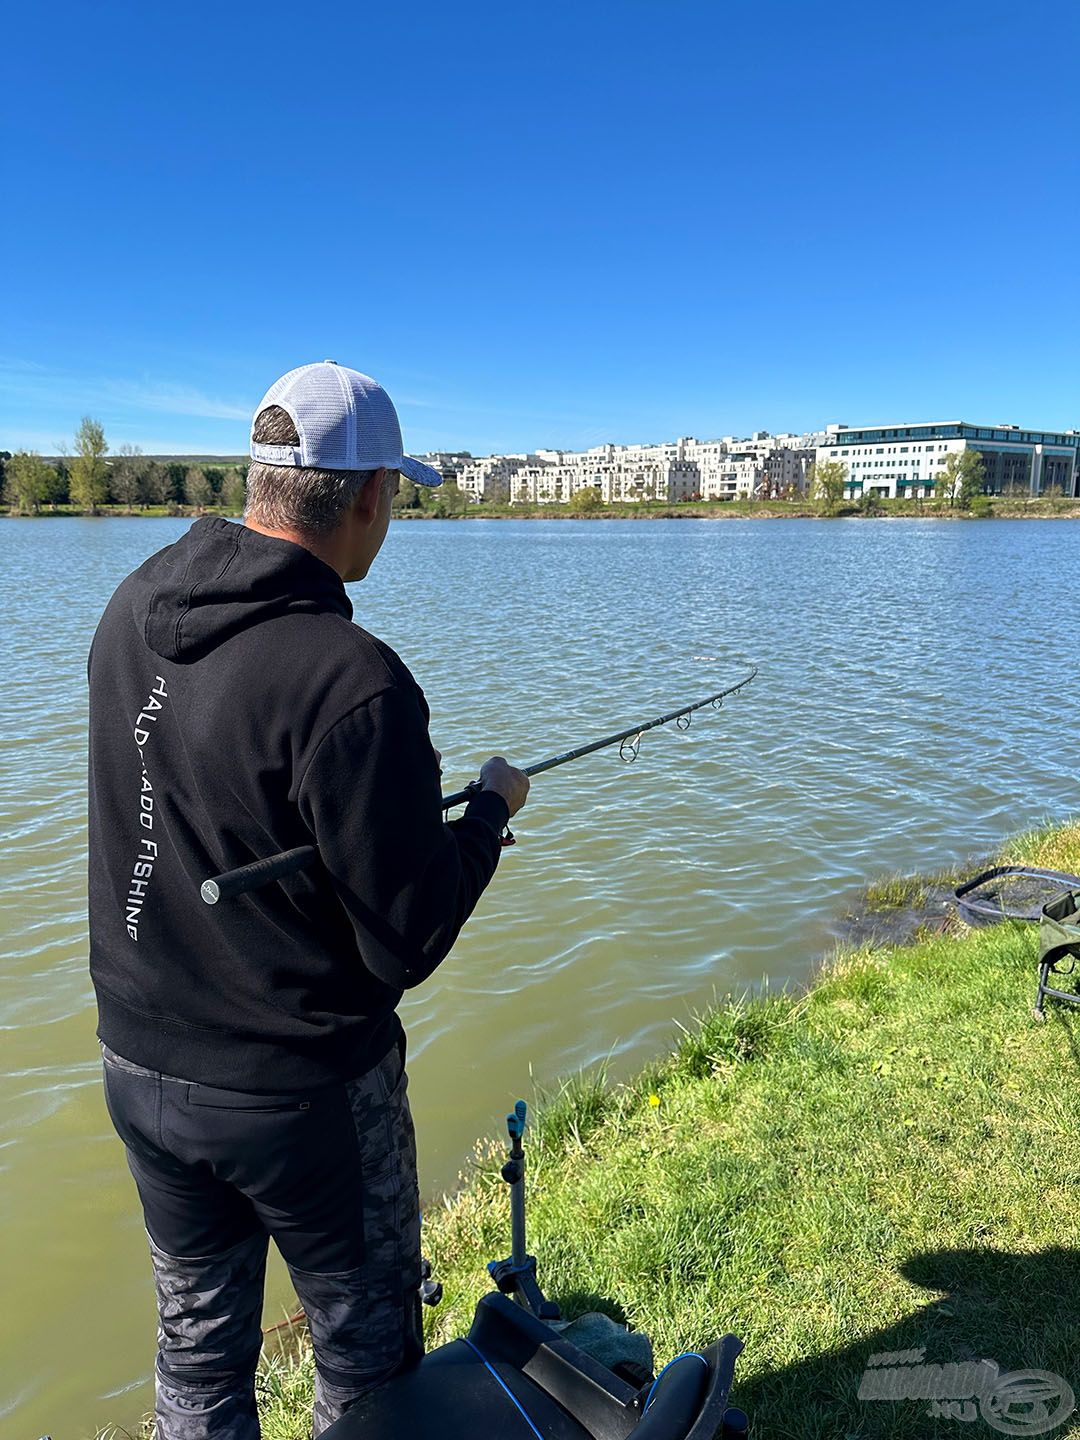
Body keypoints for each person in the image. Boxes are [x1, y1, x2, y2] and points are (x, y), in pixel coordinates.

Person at [87, 360, 530, 1440]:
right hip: (305, 1100)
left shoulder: (132, 607)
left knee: (195, 1357)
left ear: (260, 480)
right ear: (370, 494)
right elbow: (404, 938)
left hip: (139, 1068)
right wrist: (483, 820)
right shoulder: (352, 680)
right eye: (399, 494)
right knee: (369, 1364)